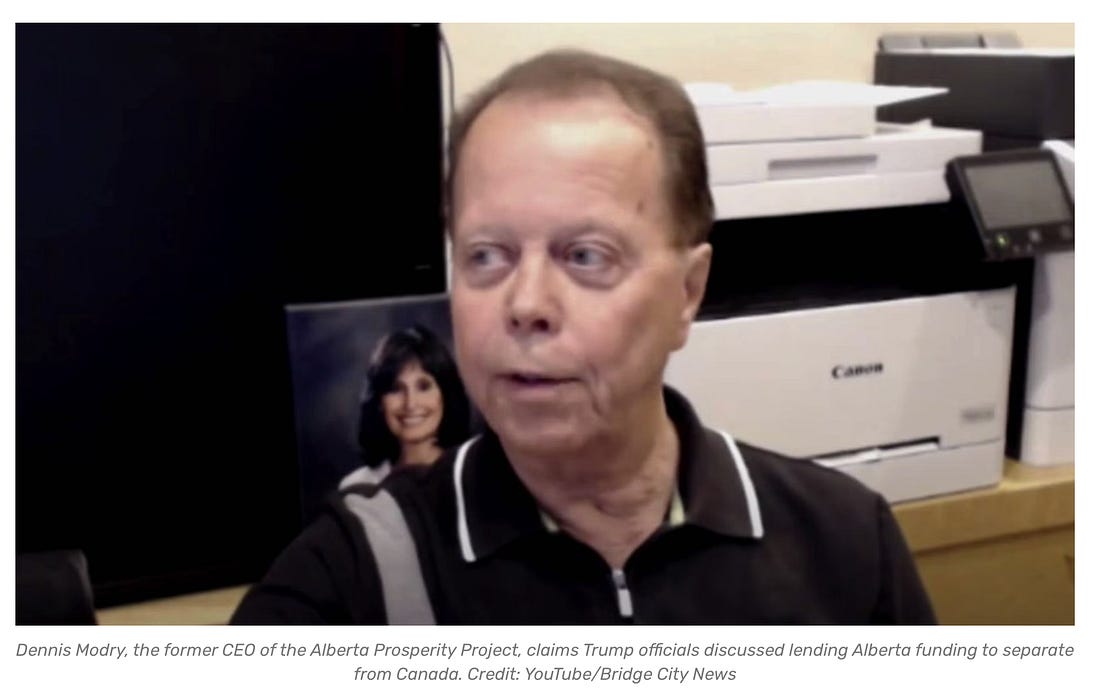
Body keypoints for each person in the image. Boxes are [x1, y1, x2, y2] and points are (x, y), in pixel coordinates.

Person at [232, 49, 936, 624]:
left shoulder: (846, 544)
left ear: (687, 292)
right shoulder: (355, 574)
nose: (526, 304)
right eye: (487, 255)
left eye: (585, 256)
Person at [339, 324, 470, 488]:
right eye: (396, 389)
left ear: (445, 394)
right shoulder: (358, 486)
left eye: (423, 387)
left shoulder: (473, 479)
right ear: (379, 402)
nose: (410, 403)